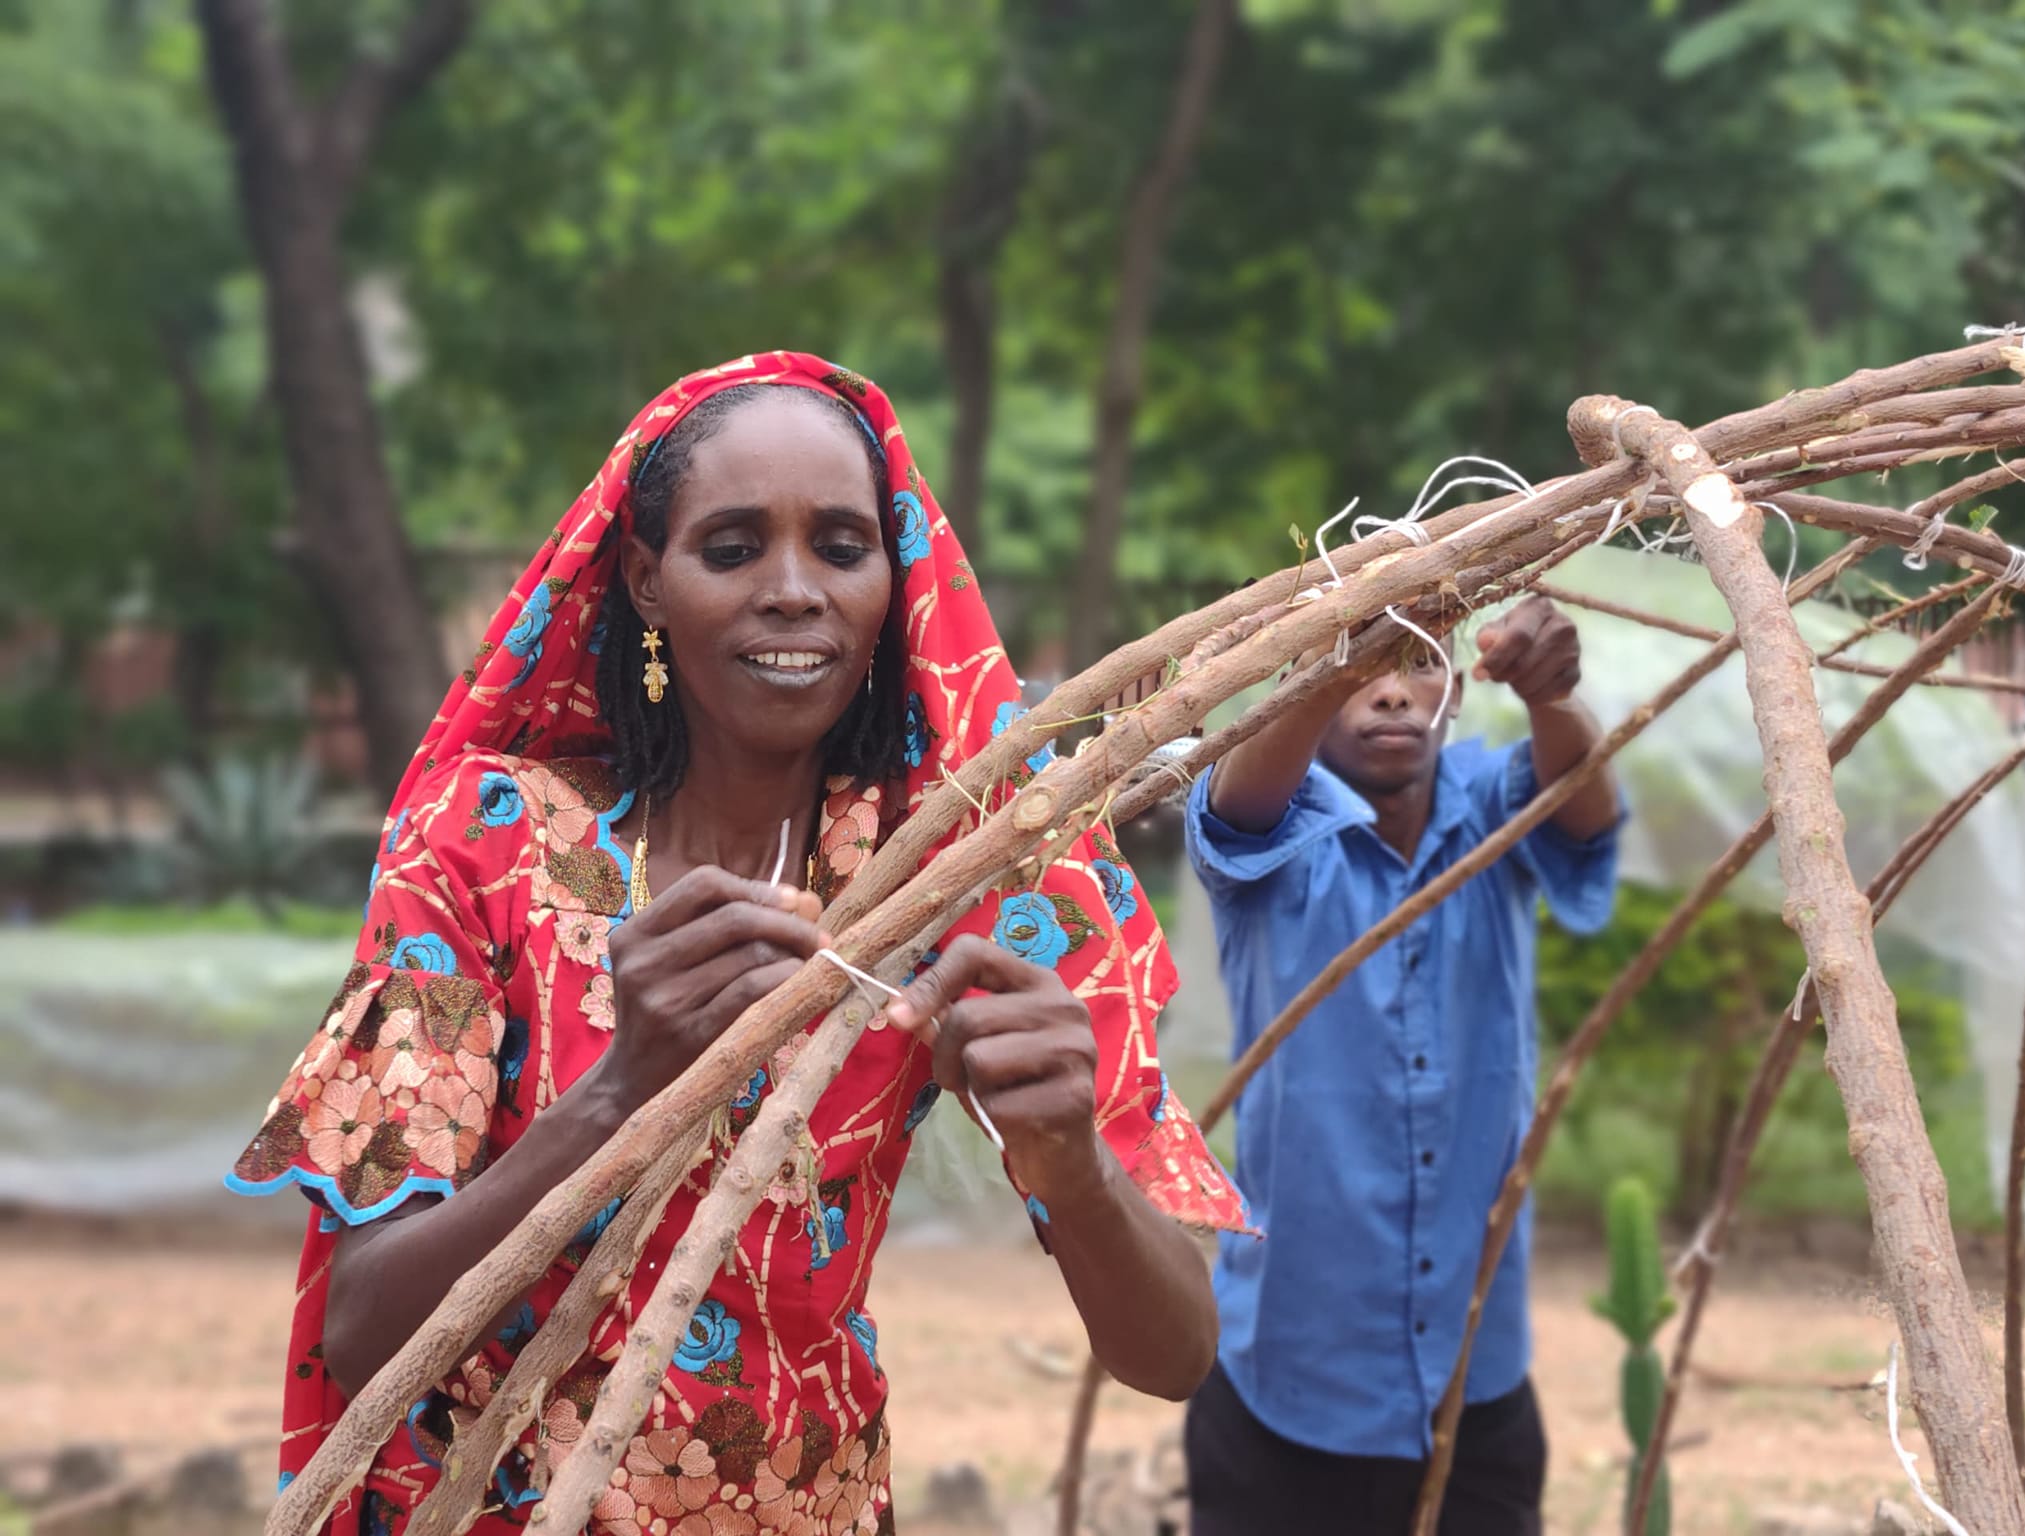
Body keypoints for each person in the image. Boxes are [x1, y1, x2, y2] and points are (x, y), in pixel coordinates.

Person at [227, 352, 1245, 1536]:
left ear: (891, 587)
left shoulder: (933, 881)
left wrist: (1069, 1159)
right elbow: (361, 1333)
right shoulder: (483, 845)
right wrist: (619, 1090)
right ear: (648, 584)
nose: (793, 589)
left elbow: (1173, 1353)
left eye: (841, 547)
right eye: (732, 548)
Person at [1181, 596, 1624, 1534]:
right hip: (1283, 1391)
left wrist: (1555, 697)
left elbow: (1585, 817)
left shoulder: (1502, 809)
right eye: (1360, 670)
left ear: (1457, 683)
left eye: (1418, 663)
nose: (1390, 692)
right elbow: (1239, 806)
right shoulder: (1271, 823)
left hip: (1475, 1386)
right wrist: (1338, 654)